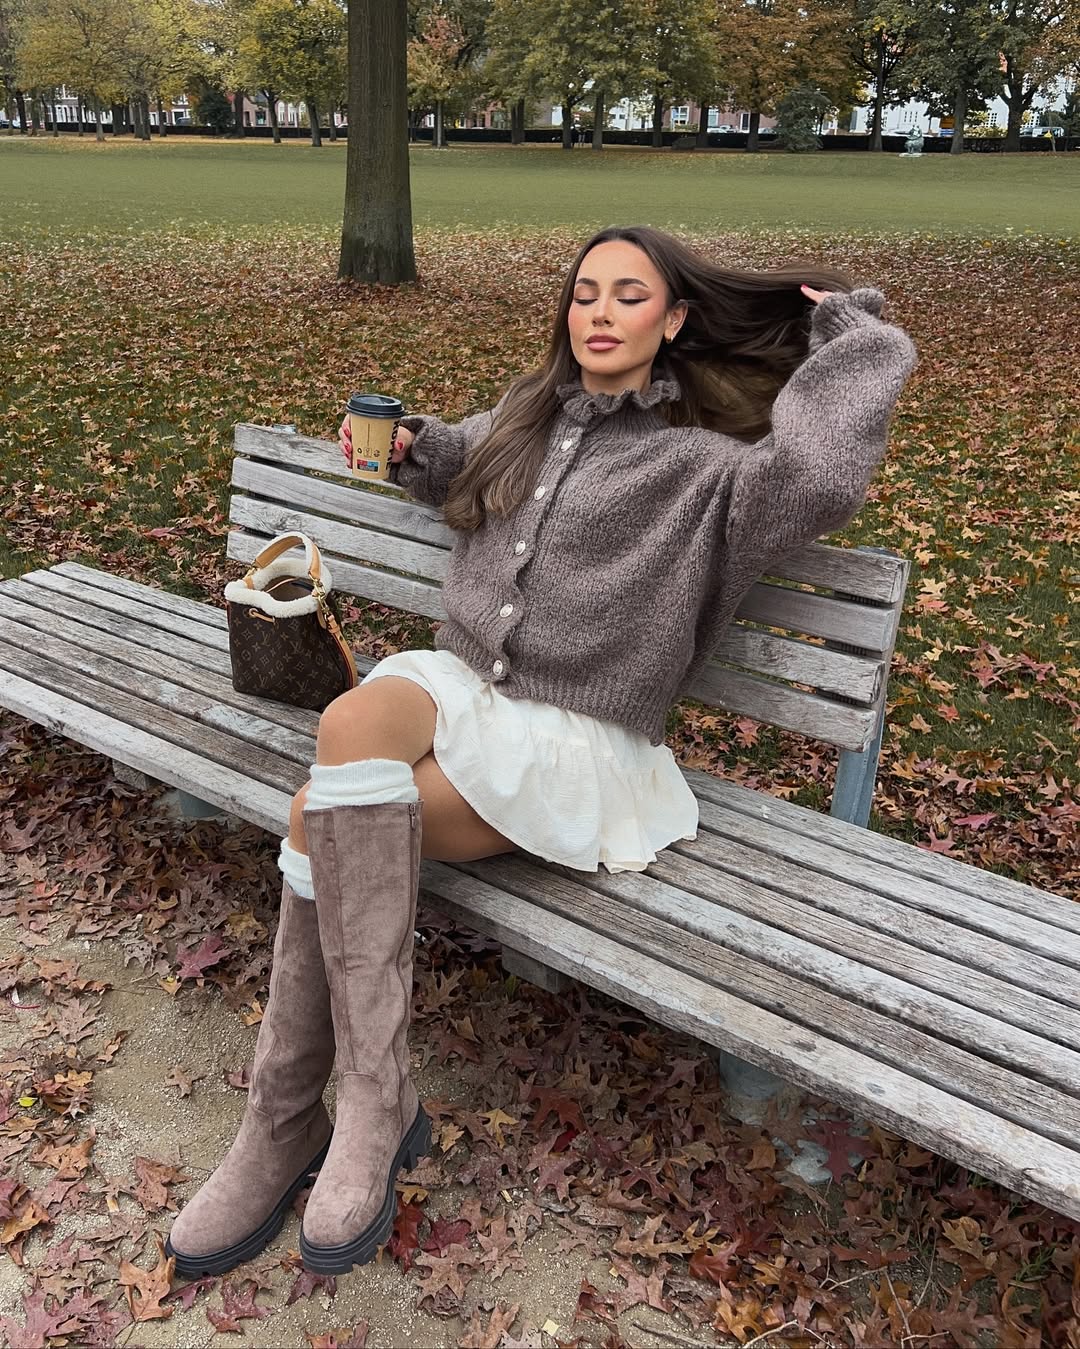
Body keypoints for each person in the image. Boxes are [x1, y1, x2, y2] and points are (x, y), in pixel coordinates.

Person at [166, 224, 918, 1279]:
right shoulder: (532, 415)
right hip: (466, 689)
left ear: (676, 318)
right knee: (350, 728)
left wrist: (854, 335)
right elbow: (458, 461)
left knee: (320, 814)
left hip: (577, 743)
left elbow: (822, 476)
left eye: (628, 295)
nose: (600, 313)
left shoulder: (709, 471)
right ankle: (338, 1112)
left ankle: (314, 1115)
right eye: (584, 294)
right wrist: (409, 444)